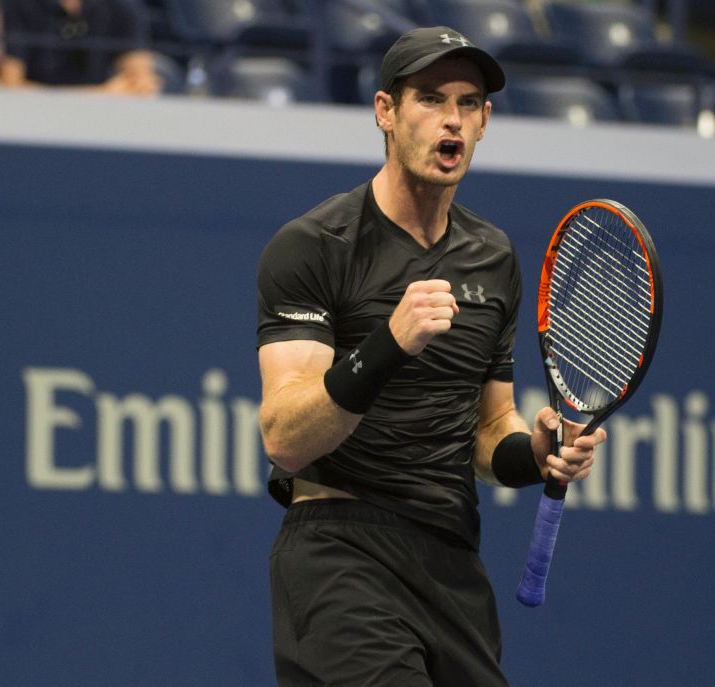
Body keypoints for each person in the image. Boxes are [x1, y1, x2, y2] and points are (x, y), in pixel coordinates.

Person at [256, 25, 605, 686]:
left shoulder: (493, 258)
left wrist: (535, 452)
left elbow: (487, 432)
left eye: (468, 103)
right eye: (431, 98)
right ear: (386, 112)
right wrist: (389, 343)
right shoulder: (313, 246)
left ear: (485, 122)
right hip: (340, 548)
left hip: (450, 557)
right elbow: (284, 437)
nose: (452, 119)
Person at [0, 0, 159, 96]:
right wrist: (103, 93)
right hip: (33, 122)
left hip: (103, 123)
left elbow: (142, 84)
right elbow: (10, 86)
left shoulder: (124, 8)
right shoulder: (16, 5)